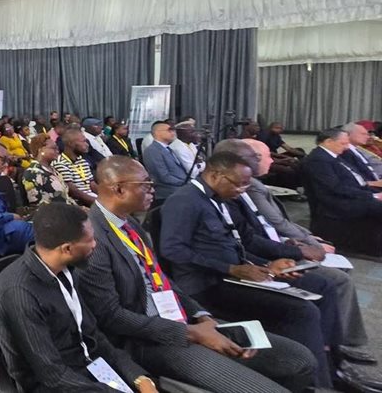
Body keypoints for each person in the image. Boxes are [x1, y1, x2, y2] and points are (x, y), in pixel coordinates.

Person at [78, 156, 317, 393]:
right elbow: (111, 316)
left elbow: (161, 278)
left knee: (300, 360)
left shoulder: (129, 223)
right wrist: (191, 333)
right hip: (148, 339)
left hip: (181, 319)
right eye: (146, 184)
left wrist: (201, 315)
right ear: (119, 189)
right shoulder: (93, 238)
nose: (153, 190)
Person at [158, 151, 343, 388]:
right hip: (208, 285)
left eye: (246, 185)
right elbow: (173, 250)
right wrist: (232, 269)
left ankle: (332, 363)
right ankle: (316, 384)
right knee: (302, 310)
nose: (242, 190)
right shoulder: (185, 201)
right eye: (239, 184)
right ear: (216, 175)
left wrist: (267, 265)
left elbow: (240, 242)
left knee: (320, 285)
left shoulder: (219, 199)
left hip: (234, 275)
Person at [215, 140, 380, 378]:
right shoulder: (232, 193)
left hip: (274, 249)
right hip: (258, 261)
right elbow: (247, 240)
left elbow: (265, 228)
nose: (270, 159)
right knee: (331, 283)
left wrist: (302, 241)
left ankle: (335, 351)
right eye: (260, 157)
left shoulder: (249, 187)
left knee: (333, 279)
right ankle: (330, 359)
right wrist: (289, 254)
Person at [0, 202, 159, 392]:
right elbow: (53, 376)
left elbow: (94, 337)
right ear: (67, 249)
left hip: (87, 369)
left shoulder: (66, 270)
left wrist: (139, 378)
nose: (95, 245)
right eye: (90, 240)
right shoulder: (20, 293)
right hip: (54, 386)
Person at [242, 139, 329, 250]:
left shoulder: (253, 184)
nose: (271, 161)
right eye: (267, 156)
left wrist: (307, 235)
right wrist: (311, 242)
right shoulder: (252, 187)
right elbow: (276, 222)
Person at [300, 127, 382, 220]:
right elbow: (335, 188)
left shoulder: (332, 155)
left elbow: (353, 180)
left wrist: (374, 193)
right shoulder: (318, 160)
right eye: (343, 143)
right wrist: (372, 195)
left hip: (353, 194)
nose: (347, 147)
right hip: (338, 204)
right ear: (328, 142)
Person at [21, 134, 76, 213]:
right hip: (52, 215)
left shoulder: (54, 170)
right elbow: (38, 205)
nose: (57, 151)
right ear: (41, 150)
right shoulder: (33, 173)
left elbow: (66, 197)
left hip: (66, 211)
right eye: (53, 148)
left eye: (57, 148)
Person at [142, 121, 190, 202]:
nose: (173, 133)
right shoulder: (152, 151)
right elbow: (164, 176)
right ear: (158, 133)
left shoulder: (167, 148)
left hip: (180, 187)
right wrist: (185, 182)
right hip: (169, 191)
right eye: (169, 130)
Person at [52, 129, 97, 206]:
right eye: (83, 141)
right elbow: (73, 192)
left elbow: (92, 184)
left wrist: (106, 196)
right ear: (71, 144)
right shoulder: (60, 163)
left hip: (92, 198)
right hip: (79, 203)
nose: (87, 145)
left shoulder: (82, 161)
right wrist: (98, 203)